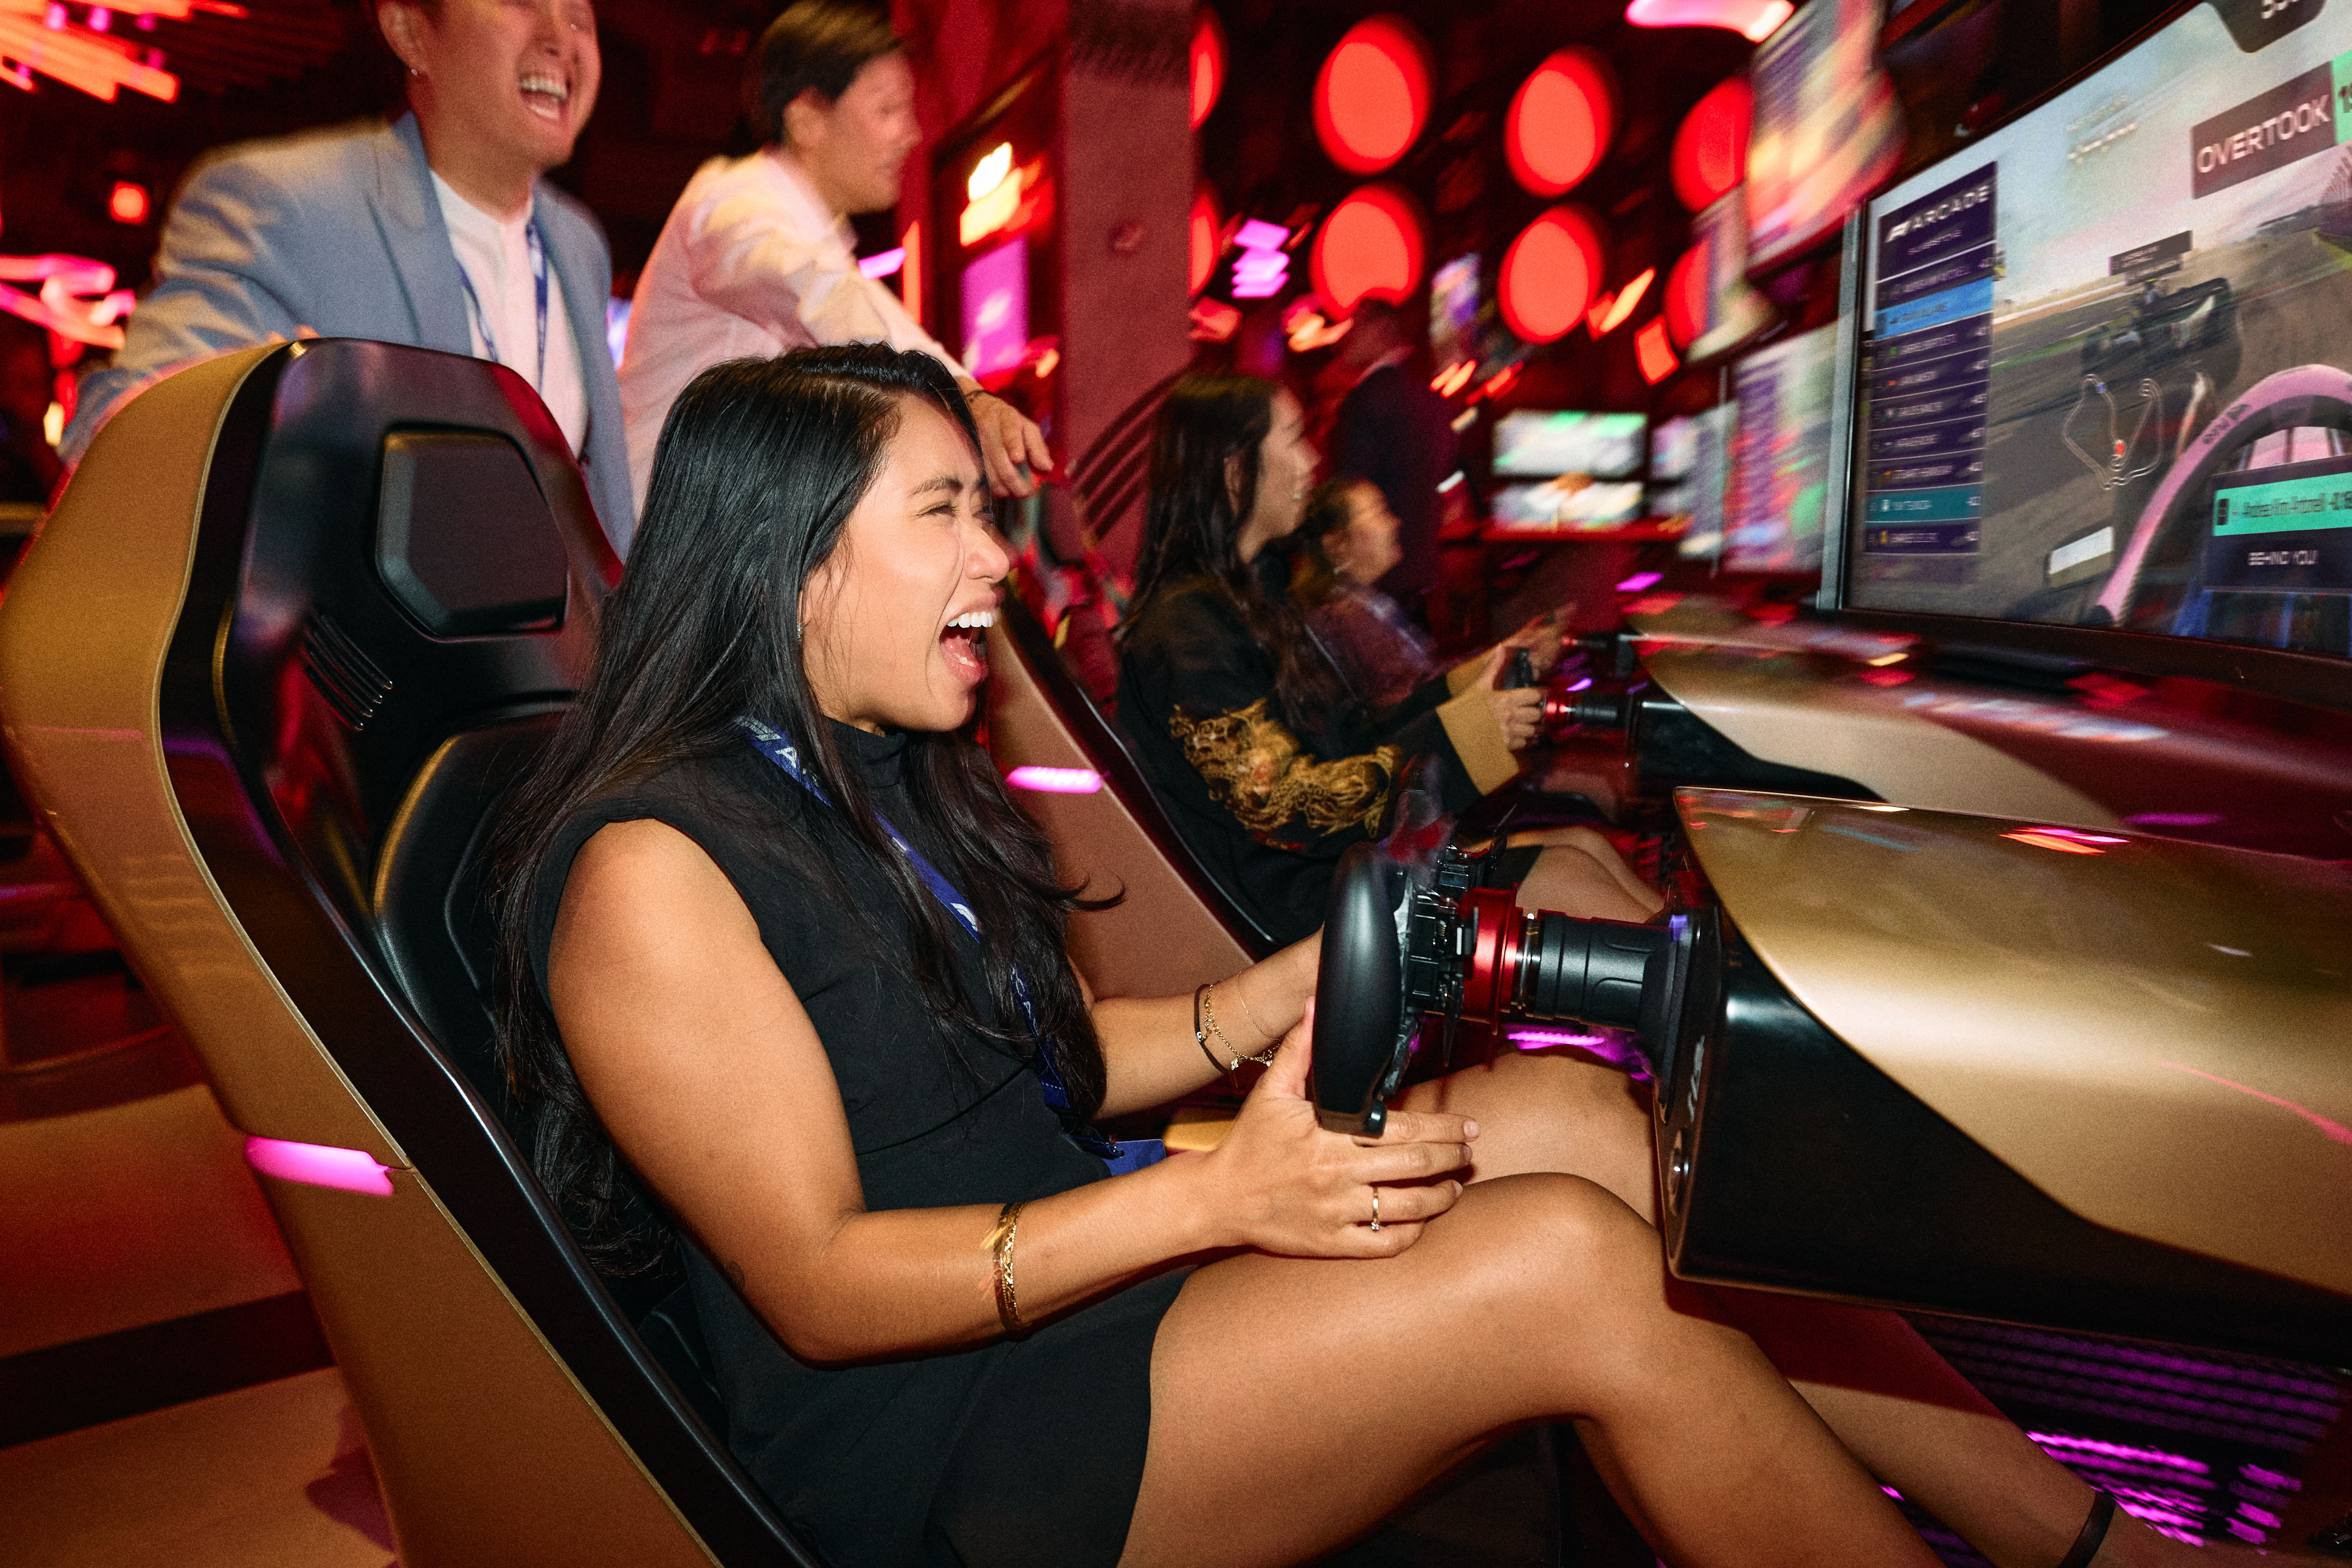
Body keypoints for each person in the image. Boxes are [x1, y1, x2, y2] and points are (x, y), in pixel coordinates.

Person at [490, 344, 2190, 1568]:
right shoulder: (650, 870)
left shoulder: (873, 769)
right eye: (941, 512)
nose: (997, 559)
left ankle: (2089, 1540)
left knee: (1585, 1124)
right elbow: (820, 1280)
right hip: (946, 1440)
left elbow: (1056, 1060)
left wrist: (1278, 988)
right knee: (1570, 1264)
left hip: (1080, 1279)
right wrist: (1212, 1202)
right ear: (789, 559)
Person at [60, 0, 635, 556]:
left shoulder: (578, 242)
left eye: (581, 17)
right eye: (520, 3)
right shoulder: (282, 204)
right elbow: (123, 437)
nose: (562, 40)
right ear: (411, 32)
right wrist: (298, 417)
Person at [1118, 376, 1646, 944]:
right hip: (1301, 905)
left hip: (1346, 870)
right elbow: (1289, 805)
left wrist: (1481, 679)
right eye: (1294, 438)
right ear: (1235, 471)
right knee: (1569, 874)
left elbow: (1351, 735)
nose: (1312, 460)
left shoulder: (1255, 594)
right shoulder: (1185, 631)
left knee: (1584, 850)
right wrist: (1465, 739)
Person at [617, 0, 1049, 517]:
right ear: (806, 120)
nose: (911, 133)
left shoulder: (815, 236)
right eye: (888, 110)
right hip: (665, 544)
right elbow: (814, 289)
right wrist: (963, 397)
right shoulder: (732, 201)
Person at [1330, 294, 1455, 619]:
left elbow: (1347, 491)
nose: (1345, 337)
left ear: (1381, 330)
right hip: (1423, 572)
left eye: (1355, 326)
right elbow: (1445, 475)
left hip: (1376, 573)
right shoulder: (1432, 400)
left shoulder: (1365, 401)